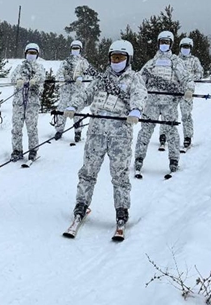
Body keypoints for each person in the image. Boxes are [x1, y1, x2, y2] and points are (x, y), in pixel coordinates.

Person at [63, 39, 147, 230]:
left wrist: (136, 110)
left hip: (120, 135)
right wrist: (73, 106)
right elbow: (86, 94)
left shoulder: (134, 79)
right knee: (88, 171)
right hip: (96, 133)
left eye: (120, 58)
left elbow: (140, 94)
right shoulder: (101, 79)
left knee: (119, 174)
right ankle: (81, 204)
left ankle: (122, 209)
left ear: (128, 59)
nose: (116, 61)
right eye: (113, 57)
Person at [134, 30, 192, 175]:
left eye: (166, 42)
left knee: (171, 131)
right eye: (162, 42)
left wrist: (189, 89)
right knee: (145, 131)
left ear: (171, 44)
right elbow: (139, 80)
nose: (164, 45)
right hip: (151, 104)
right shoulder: (151, 63)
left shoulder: (176, 62)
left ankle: (174, 159)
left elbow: (186, 78)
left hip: (169, 104)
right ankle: (139, 157)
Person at [8, 42, 44, 161]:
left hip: (32, 104)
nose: (31, 55)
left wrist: (35, 81)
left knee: (32, 127)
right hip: (18, 103)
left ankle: (33, 150)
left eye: (33, 53)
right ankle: (17, 150)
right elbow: (12, 77)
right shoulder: (20, 67)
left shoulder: (39, 68)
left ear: (37, 54)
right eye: (29, 52)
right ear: (25, 53)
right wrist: (18, 80)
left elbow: (42, 79)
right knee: (16, 128)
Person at [54, 39, 92, 145]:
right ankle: (59, 130)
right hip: (66, 89)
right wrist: (61, 79)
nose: (75, 50)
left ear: (80, 49)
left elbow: (89, 74)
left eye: (77, 48)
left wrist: (81, 78)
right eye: (73, 48)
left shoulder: (84, 62)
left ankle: (78, 131)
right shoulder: (66, 61)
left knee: (77, 110)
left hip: (78, 90)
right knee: (62, 109)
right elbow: (59, 72)